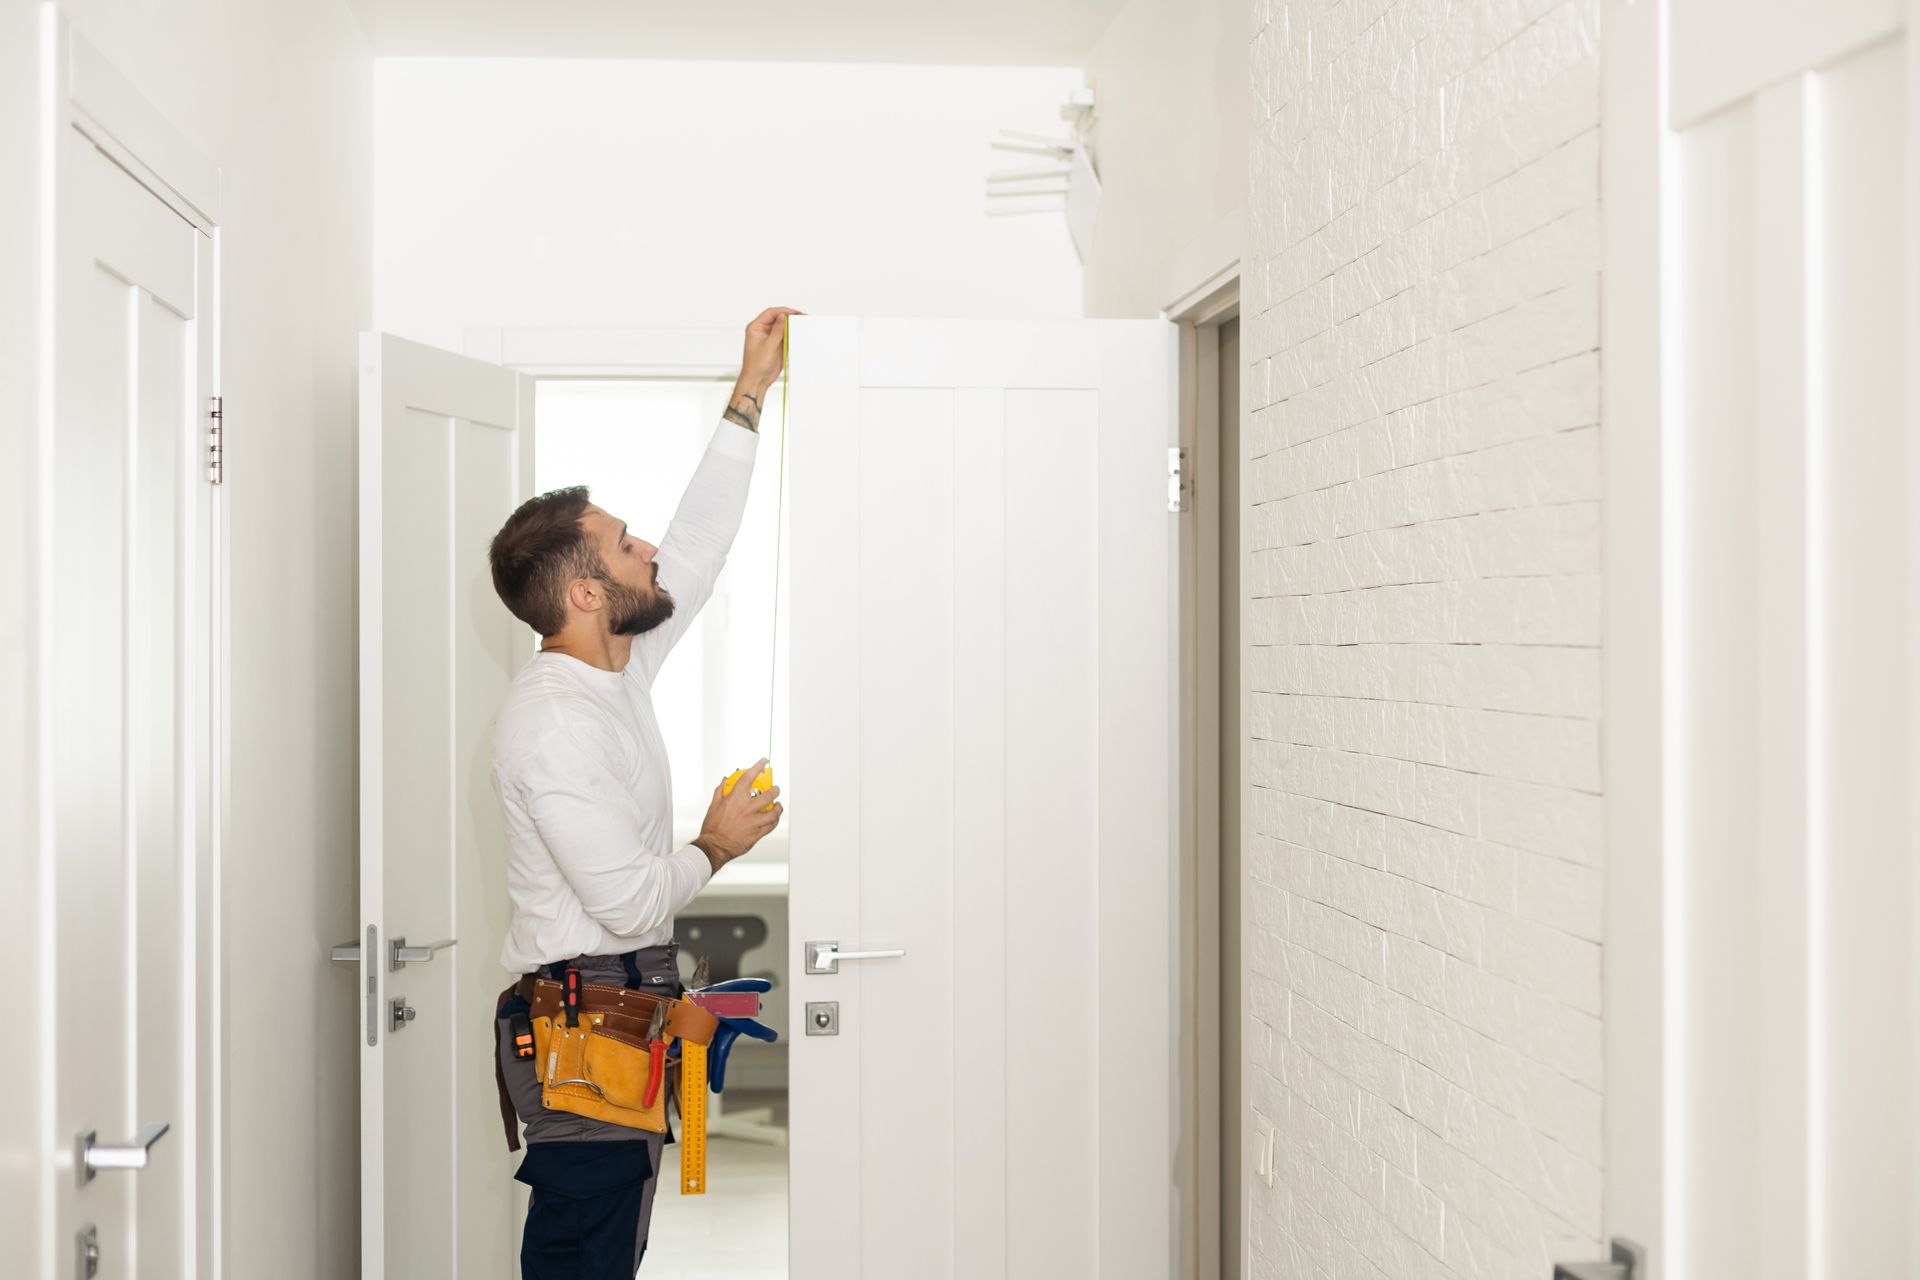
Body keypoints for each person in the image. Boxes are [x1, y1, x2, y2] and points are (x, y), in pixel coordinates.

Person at [484, 306, 799, 1277]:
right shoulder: (553, 722)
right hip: (578, 1025)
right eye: (624, 547)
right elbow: (623, 898)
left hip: (612, 1012)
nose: (648, 552)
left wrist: (750, 393)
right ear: (585, 593)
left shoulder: (613, 671)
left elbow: (697, 550)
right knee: (585, 1249)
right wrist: (717, 839)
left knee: (610, 1244)